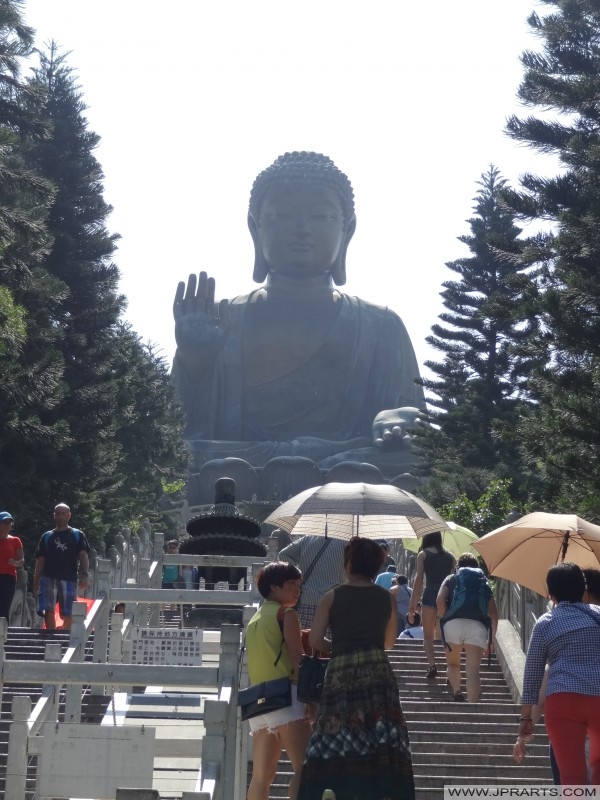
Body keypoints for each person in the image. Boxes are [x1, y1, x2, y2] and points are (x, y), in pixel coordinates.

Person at [172, 152, 424, 476]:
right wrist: (195, 362)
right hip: (242, 463)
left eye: (321, 217)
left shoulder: (381, 326)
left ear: (347, 232)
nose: (302, 229)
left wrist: (400, 422)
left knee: (408, 461)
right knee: (180, 459)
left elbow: (414, 424)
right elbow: (176, 432)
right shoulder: (222, 319)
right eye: (283, 216)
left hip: (346, 462)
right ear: (255, 227)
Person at [297, 537, 415, 800]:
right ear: (376, 566)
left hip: (341, 670)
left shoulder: (332, 596)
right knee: (377, 733)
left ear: (348, 563)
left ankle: (333, 789)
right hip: (377, 670)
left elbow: (315, 640)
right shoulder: (387, 597)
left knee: (337, 731)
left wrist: (336, 646)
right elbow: (389, 642)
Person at [513, 567, 600, 781]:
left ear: (550, 594)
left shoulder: (545, 623)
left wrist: (526, 718)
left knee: (571, 777)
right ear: (583, 592)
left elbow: (533, 674)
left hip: (563, 701)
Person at [245, 561, 312, 800]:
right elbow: (297, 657)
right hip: (287, 696)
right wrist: (310, 697)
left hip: (258, 701)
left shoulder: (255, 619)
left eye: (299, 584)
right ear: (274, 587)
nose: (297, 589)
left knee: (261, 777)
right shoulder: (287, 614)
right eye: (292, 584)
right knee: (306, 767)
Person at [436, 553, 498, 702]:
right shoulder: (483, 583)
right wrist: (491, 640)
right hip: (477, 627)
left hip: (453, 624)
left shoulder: (451, 578)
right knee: (473, 671)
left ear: (458, 566)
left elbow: (439, 600)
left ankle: (457, 691)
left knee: (452, 663)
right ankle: (471, 706)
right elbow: (494, 614)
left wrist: (444, 617)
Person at [33, 504, 91, 631]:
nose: (60, 516)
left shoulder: (77, 534)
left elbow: (83, 555)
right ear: (54, 515)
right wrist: (36, 580)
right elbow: (40, 559)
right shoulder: (47, 536)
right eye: (57, 513)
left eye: (63, 513)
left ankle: (64, 636)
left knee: (69, 610)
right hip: (48, 577)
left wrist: (84, 575)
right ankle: (51, 635)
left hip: (69, 577)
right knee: (48, 609)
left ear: (69, 515)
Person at [407, 531, 456, 680]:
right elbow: (454, 577)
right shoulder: (451, 556)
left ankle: (432, 665)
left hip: (429, 595)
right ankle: (450, 669)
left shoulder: (423, 555)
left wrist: (413, 603)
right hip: (446, 596)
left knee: (428, 636)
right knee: (443, 635)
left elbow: (419, 579)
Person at [278, 534, 347, 629]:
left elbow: (282, 555)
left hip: (306, 603)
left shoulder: (307, 539)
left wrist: (298, 574)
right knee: (328, 643)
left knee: (303, 641)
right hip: (332, 605)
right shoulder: (345, 543)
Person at [0, 511, 24, 621]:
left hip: (8, 577)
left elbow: (21, 560)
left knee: (4, 606)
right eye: (4, 522)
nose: (7, 525)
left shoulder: (15, 540)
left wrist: (15, 563)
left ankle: (3, 634)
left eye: (9, 522)